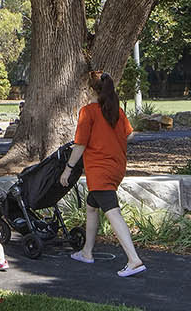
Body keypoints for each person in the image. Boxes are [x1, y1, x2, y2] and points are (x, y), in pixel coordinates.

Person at [61, 70, 146, 277]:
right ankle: (87, 252)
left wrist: (68, 168)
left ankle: (134, 260)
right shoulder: (116, 110)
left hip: (99, 170)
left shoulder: (88, 111)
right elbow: (130, 134)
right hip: (116, 167)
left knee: (112, 211)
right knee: (92, 206)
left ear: (91, 90)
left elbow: (80, 144)